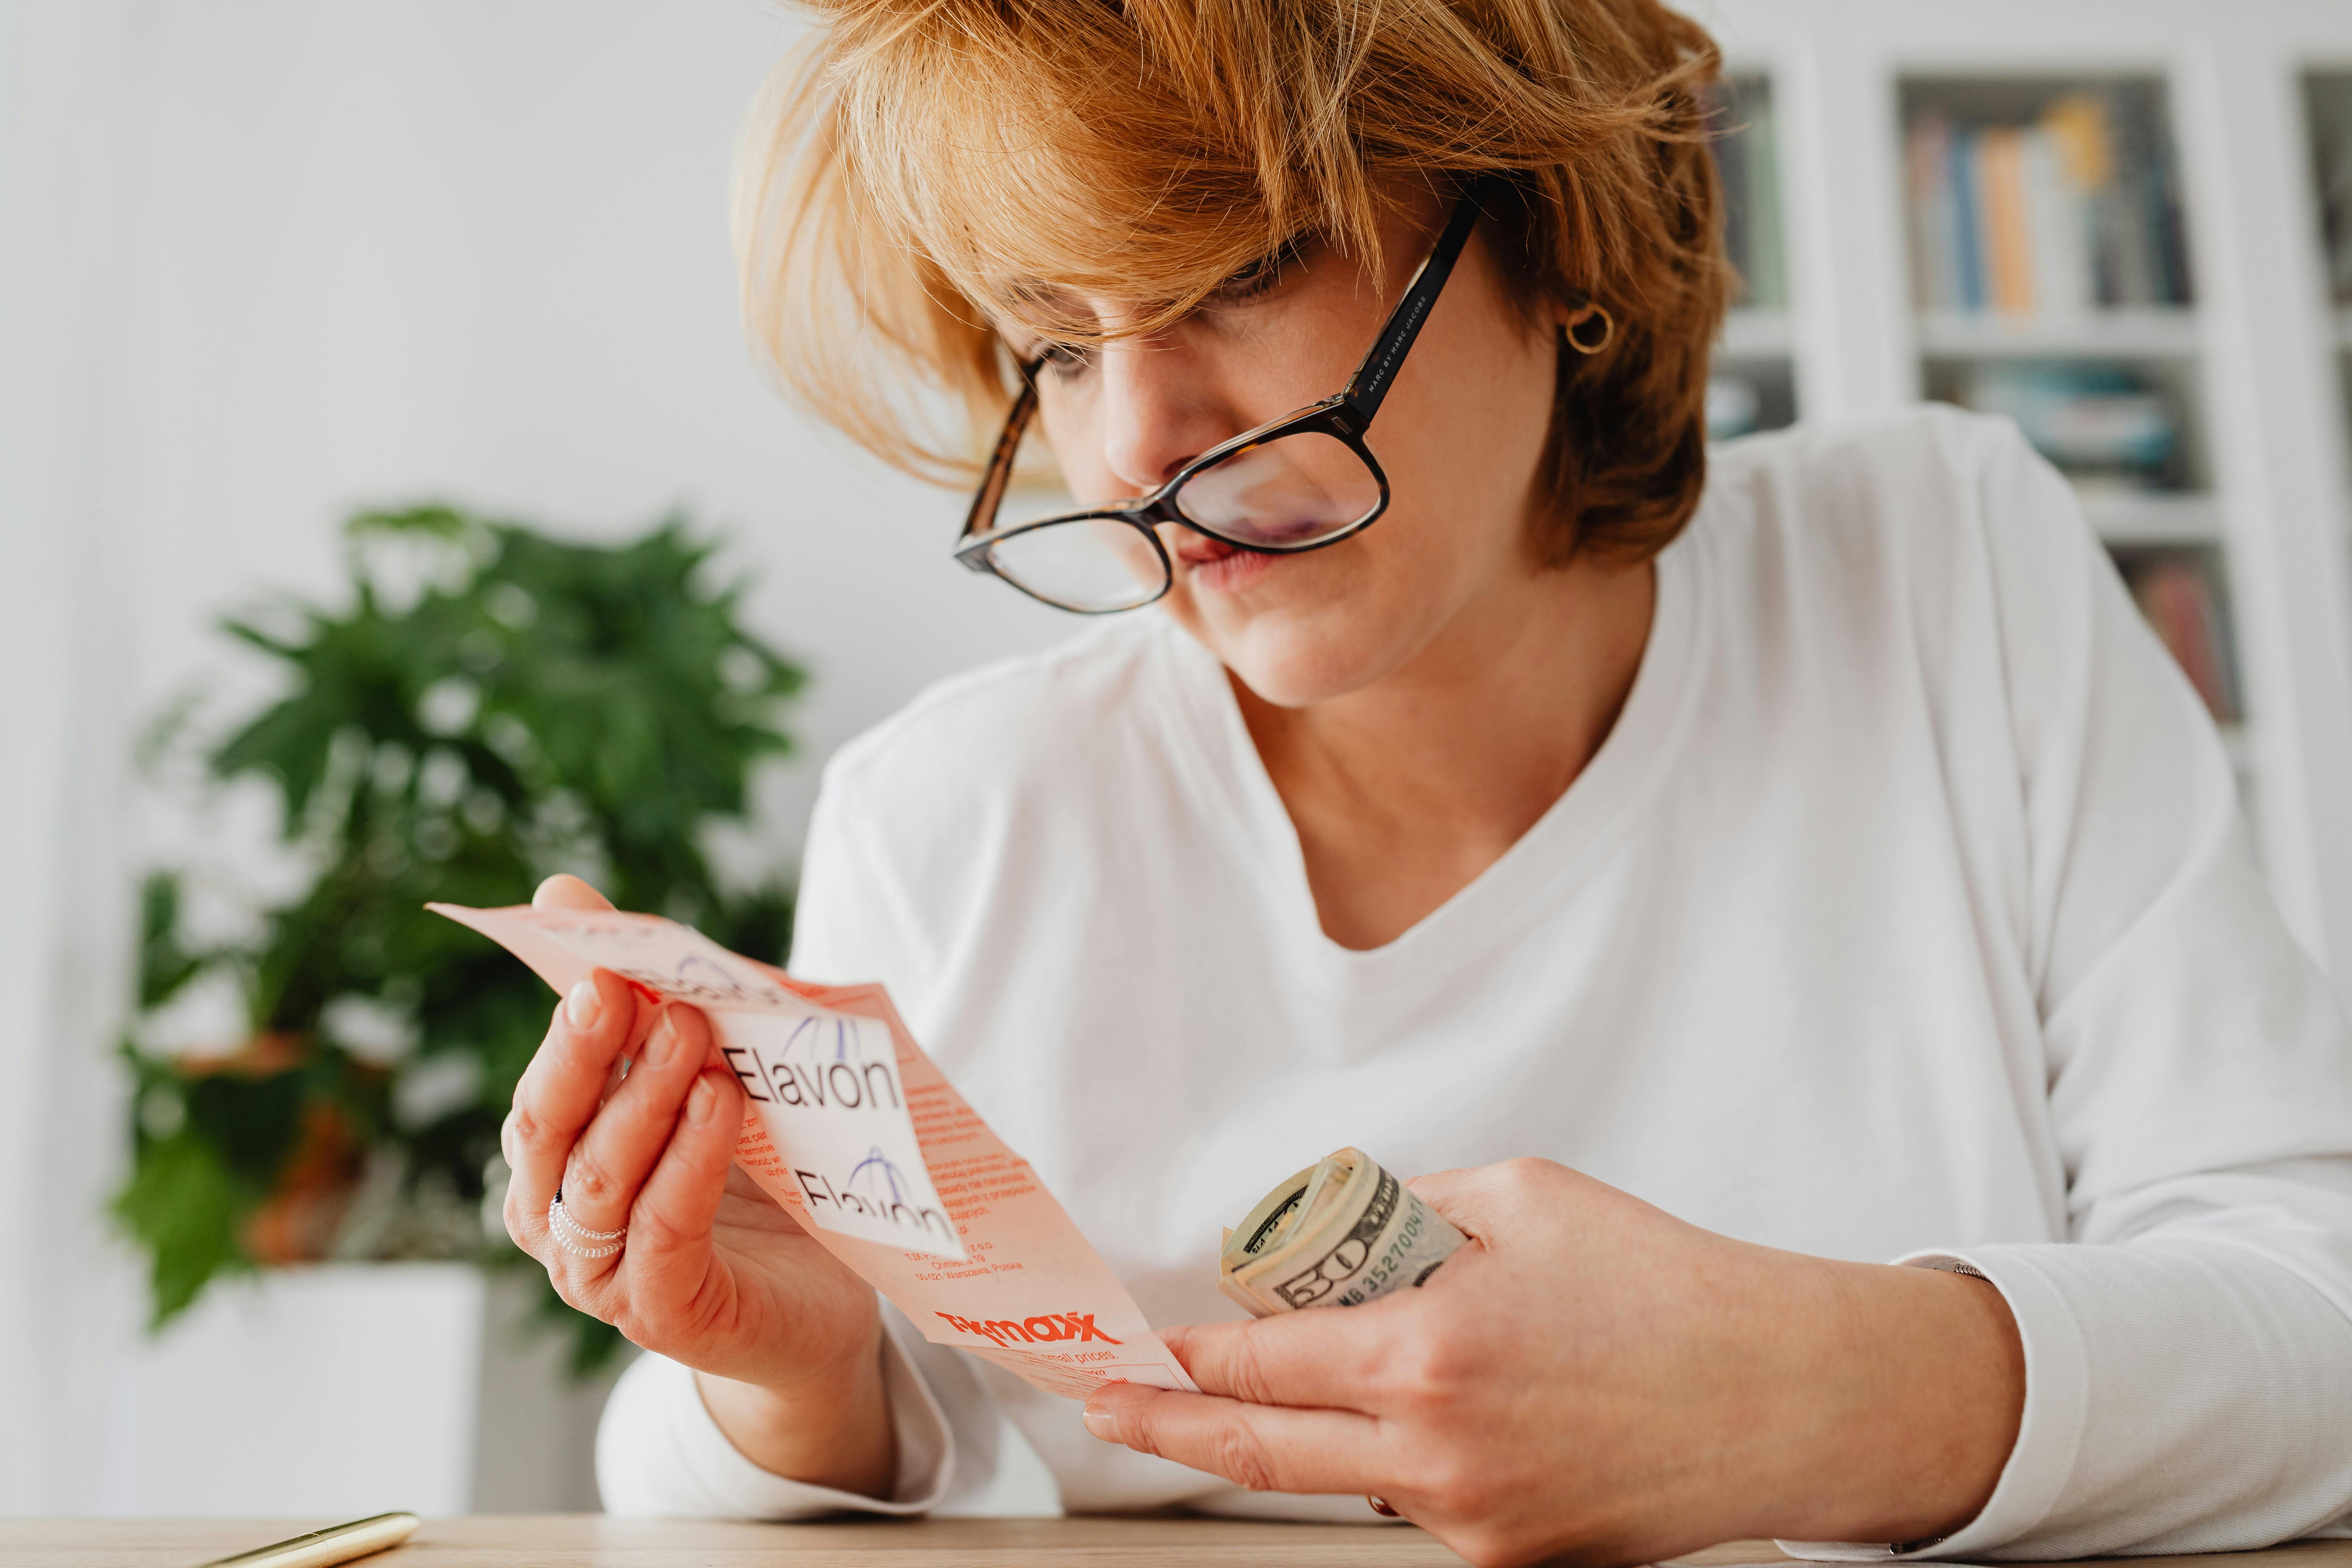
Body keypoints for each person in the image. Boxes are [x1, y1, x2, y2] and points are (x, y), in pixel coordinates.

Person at [492, 1, 2352, 1563]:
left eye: (1237, 270)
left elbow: (2317, 1317)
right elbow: (715, 1495)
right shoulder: (951, 815)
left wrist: (1806, 1393)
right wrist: (796, 1379)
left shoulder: (1943, 568)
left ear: (1554, 233)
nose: (1134, 445)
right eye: (1055, 341)